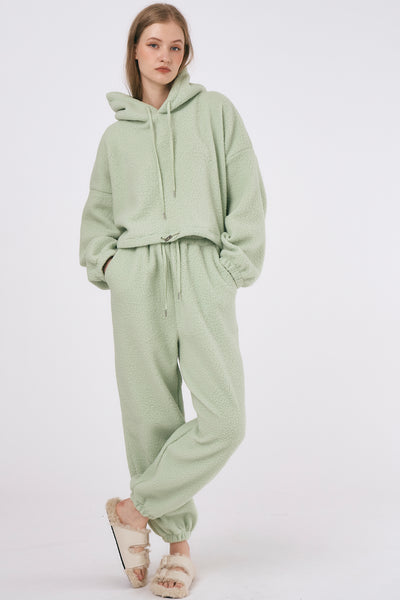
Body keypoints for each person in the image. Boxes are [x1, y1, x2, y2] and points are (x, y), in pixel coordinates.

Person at [79, 3, 267, 598]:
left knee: (224, 421)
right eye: (154, 44)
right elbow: (97, 218)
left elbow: (248, 194)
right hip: (138, 277)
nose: (165, 56)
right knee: (150, 416)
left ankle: (132, 510)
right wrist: (111, 266)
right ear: (135, 50)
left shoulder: (216, 113)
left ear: (186, 55)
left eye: (176, 46)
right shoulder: (116, 137)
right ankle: (177, 548)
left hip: (201, 268)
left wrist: (231, 267)